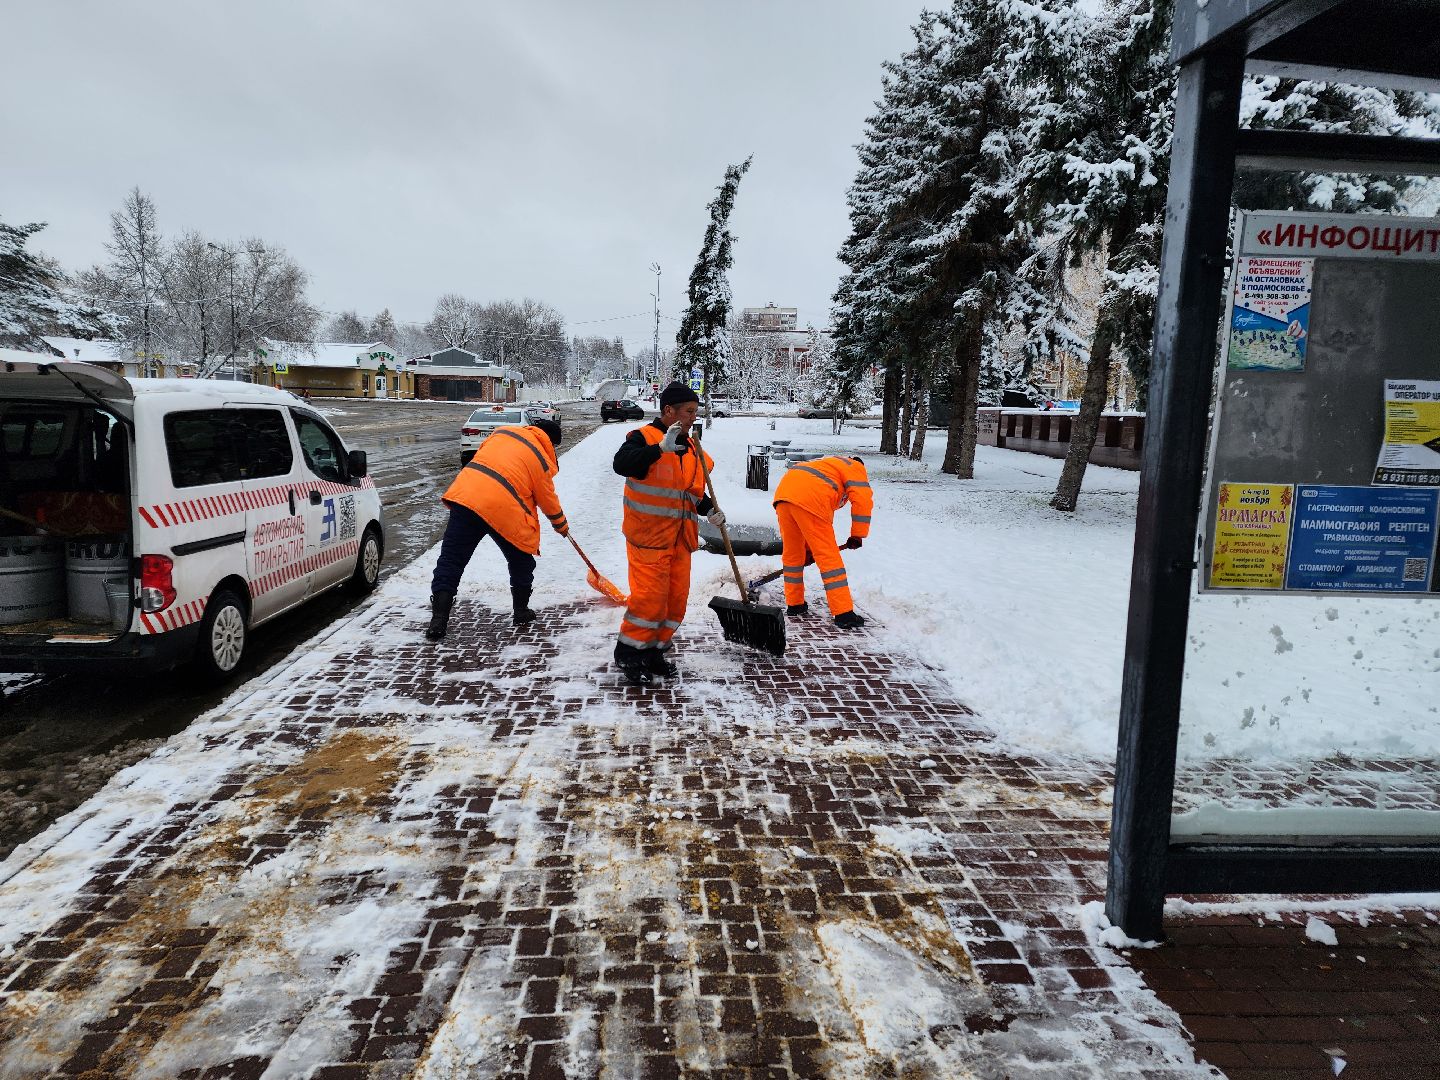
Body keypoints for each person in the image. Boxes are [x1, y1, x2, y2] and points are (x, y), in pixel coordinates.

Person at [611, 382, 724, 686]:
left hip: (679, 539)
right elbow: (621, 464)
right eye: (688, 412)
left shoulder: (689, 446)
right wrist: (658, 449)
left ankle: (654, 651)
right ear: (668, 411)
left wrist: (710, 509)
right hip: (648, 538)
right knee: (649, 601)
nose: (692, 417)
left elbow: (687, 492)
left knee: (675, 602)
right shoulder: (642, 437)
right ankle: (630, 654)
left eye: (695, 412)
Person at [426, 418, 569, 640]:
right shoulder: (540, 458)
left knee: (451, 560)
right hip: (503, 509)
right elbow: (547, 499)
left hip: (465, 497)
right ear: (550, 442)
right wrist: (561, 525)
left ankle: (438, 620)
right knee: (521, 558)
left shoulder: (502, 434)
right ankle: (521, 611)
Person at [771, 455, 873, 629]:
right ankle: (843, 613)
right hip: (810, 499)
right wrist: (858, 535)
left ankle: (795, 604)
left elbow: (807, 523)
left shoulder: (828, 464)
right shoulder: (855, 467)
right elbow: (862, 500)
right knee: (829, 557)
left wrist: (809, 551)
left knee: (793, 555)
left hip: (784, 497)